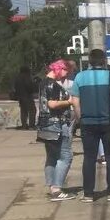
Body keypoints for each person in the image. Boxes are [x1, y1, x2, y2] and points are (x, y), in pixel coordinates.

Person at [70, 48, 110, 202]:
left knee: (89, 157)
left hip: (88, 123)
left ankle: (88, 193)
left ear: (89, 61)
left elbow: (75, 102)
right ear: (104, 61)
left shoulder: (79, 77)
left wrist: (80, 119)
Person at [36, 60, 75, 200]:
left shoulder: (43, 83)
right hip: (57, 124)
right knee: (66, 156)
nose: (66, 75)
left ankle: (52, 186)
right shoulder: (53, 84)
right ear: (59, 68)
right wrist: (69, 102)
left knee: (52, 156)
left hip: (45, 124)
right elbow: (52, 104)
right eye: (65, 71)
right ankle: (57, 189)